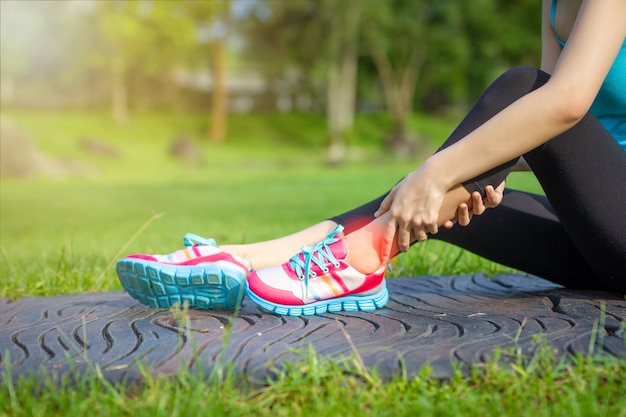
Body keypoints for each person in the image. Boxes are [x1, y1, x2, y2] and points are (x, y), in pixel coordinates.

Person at [116, 0, 626, 316]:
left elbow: (562, 103)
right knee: (437, 204)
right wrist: (451, 180)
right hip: (603, 235)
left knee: (518, 92)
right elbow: (540, 134)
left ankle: (355, 263)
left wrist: (439, 170)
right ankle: (247, 258)